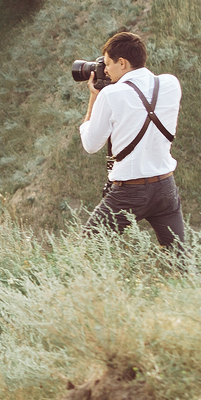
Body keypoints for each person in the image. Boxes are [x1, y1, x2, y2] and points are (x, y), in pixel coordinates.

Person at [78, 30, 184, 249]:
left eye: (107, 64)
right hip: (165, 187)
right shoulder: (171, 84)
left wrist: (94, 98)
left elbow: (90, 145)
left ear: (123, 63)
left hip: (130, 192)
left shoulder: (110, 95)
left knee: (86, 251)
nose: (104, 70)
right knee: (180, 258)